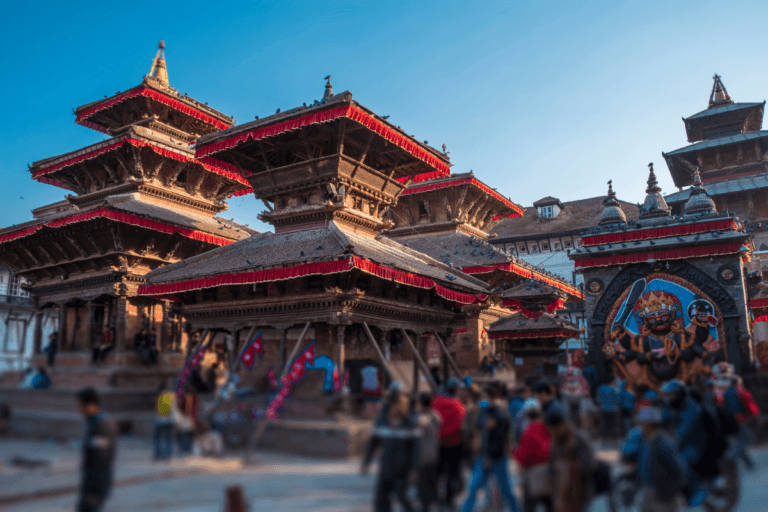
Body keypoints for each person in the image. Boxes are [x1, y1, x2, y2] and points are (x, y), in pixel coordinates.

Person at [461, 384, 520, 512]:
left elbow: (499, 439)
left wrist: (489, 457)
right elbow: (477, 430)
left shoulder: (500, 415)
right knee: (473, 488)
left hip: (496, 458)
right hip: (482, 456)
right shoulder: (482, 412)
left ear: (493, 398)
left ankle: (516, 509)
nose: (483, 400)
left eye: (485, 397)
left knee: (506, 489)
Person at [361, 389, 420, 512]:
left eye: (399, 404)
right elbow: (373, 444)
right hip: (385, 468)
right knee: (380, 501)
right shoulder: (382, 423)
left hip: (403, 471)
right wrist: (366, 462)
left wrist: (414, 470)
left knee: (403, 499)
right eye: (393, 404)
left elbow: (416, 450)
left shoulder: (410, 424)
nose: (396, 408)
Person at [660, 380, 707, 507]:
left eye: (670, 395)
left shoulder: (692, 406)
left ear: (679, 394)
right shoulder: (672, 407)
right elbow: (660, 420)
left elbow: (687, 427)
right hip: (680, 444)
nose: (668, 398)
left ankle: (697, 491)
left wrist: (673, 440)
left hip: (695, 445)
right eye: (666, 395)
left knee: (681, 462)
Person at [635, 405, 685, 512]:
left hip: (662, 496)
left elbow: (678, 470)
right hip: (650, 492)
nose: (640, 426)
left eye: (642, 423)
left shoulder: (663, 444)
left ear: (648, 425)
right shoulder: (648, 440)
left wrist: (668, 492)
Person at [544, 406, 593, 512]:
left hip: (581, 493)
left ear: (560, 425)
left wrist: (567, 466)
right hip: (562, 496)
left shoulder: (579, 439)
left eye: (552, 430)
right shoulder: (556, 442)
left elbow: (590, 465)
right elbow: (551, 466)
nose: (552, 433)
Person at [76, 388, 117, 512]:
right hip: (92, 484)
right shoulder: (94, 421)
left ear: (90, 405)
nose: (78, 409)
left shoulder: (101, 424)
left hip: (95, 486)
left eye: (80, 405)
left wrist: (92, 491)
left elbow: (101, 459)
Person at [432, 377, 467, 510]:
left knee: (438, 473)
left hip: (438, 443)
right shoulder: (457, 405)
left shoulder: (436, 401)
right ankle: (449, 499)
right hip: (454, 443)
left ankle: (435, 497)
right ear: (456, 390)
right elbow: (462, 425)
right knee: (452, 473)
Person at [513, 398, 553, 512]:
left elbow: (523, 456)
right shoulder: (546, 428)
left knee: (529, 505)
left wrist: (516, 456)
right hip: (549, 471)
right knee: (549, 503)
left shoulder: (528, 431)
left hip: (533, 473)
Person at [416, 393, 442, 512]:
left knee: (423, 484)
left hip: (424, 455)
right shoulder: (435, 415)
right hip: (435, 453)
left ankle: (425, 506)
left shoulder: (423, 418)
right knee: (432, 482)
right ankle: (435, 503)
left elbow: (419, 428)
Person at [153, 382, 175, 460]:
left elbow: (156, 408)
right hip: (169, 419)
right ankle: (168, 454)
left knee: (157, 438)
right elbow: (174, 407)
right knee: (169, 437)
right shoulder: (172, 395)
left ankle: (157, 454)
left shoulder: (158, 396)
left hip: (160, 419)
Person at [596, 375, 620, 441]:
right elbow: (617, 400)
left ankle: (604, 437)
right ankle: (613, 438)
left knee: (604, 424)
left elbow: (598, 399)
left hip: (603, 409)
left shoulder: (600, 388)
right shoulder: (613, 389)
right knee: (612, 424)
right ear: (612, 381)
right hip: (612, 409)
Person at [176, 386, 197, 455]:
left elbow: (183, 408)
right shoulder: (195, 398)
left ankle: (183, 448)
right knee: (190, 434)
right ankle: (189, 448)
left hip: (186, 418)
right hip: (192, 418)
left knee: (182, 434)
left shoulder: (185, 398)